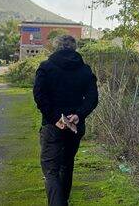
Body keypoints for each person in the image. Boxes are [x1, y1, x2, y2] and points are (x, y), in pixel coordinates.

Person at [33, 35, 98, 206]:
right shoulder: (85, 69)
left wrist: (55, 118)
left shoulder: (46, 67)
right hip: (75, 126)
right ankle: (64, 200)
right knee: (67, 164)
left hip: (51, 125)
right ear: (74, 48)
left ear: (56, 47)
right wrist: (78, 114)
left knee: (51, 171)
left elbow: (39, 96)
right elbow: (92, 98)